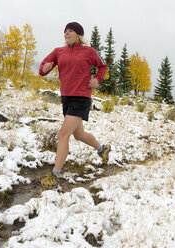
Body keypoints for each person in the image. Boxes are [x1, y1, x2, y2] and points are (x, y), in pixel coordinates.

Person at [38, 22, 110, 188]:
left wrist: (97, 79)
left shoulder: (89, 51)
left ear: (78, 35)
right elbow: (42, 69)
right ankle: (102, 149)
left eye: (70, 31)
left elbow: (103, 65)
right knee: (79, 135)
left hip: (81, 97)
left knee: (63, 134)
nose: (66, 33)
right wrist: (46, 68)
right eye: (65, 31)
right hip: (67, 98)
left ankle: (54, 176)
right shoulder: (58, 51)